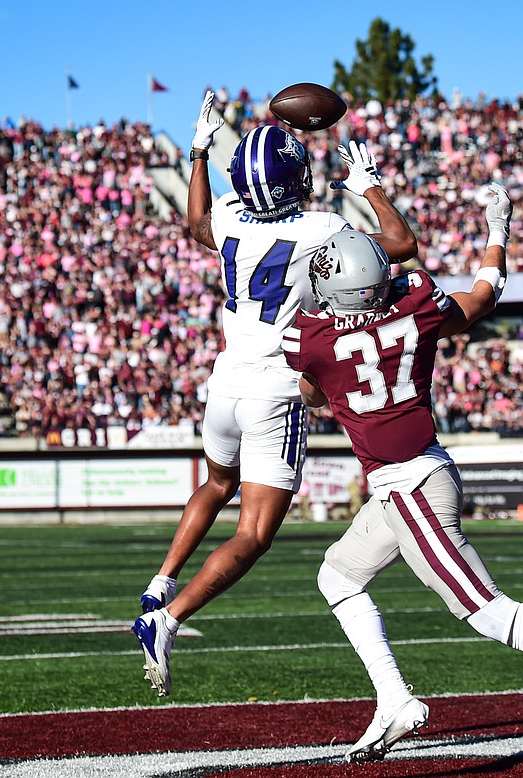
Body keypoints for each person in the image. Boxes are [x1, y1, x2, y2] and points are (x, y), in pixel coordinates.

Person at [285, 185, 523, 763]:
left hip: (408, 486)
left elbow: (310, 390)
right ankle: (392, 699)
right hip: (410, 480)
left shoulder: (313, 341)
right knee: (337, 576)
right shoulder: (414, 302)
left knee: (486, 611)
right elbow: (485, 294)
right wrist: (496, 228)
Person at [132, 91, 418, 697]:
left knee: (215, 485)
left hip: (225, 381)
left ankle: (161, 580)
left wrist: (199, 150)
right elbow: (400, 245)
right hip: (276, 389)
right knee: (255, 534)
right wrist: (369, 186)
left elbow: (196, 224)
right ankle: (168, 617)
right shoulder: (322, 229)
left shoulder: (232, 217)